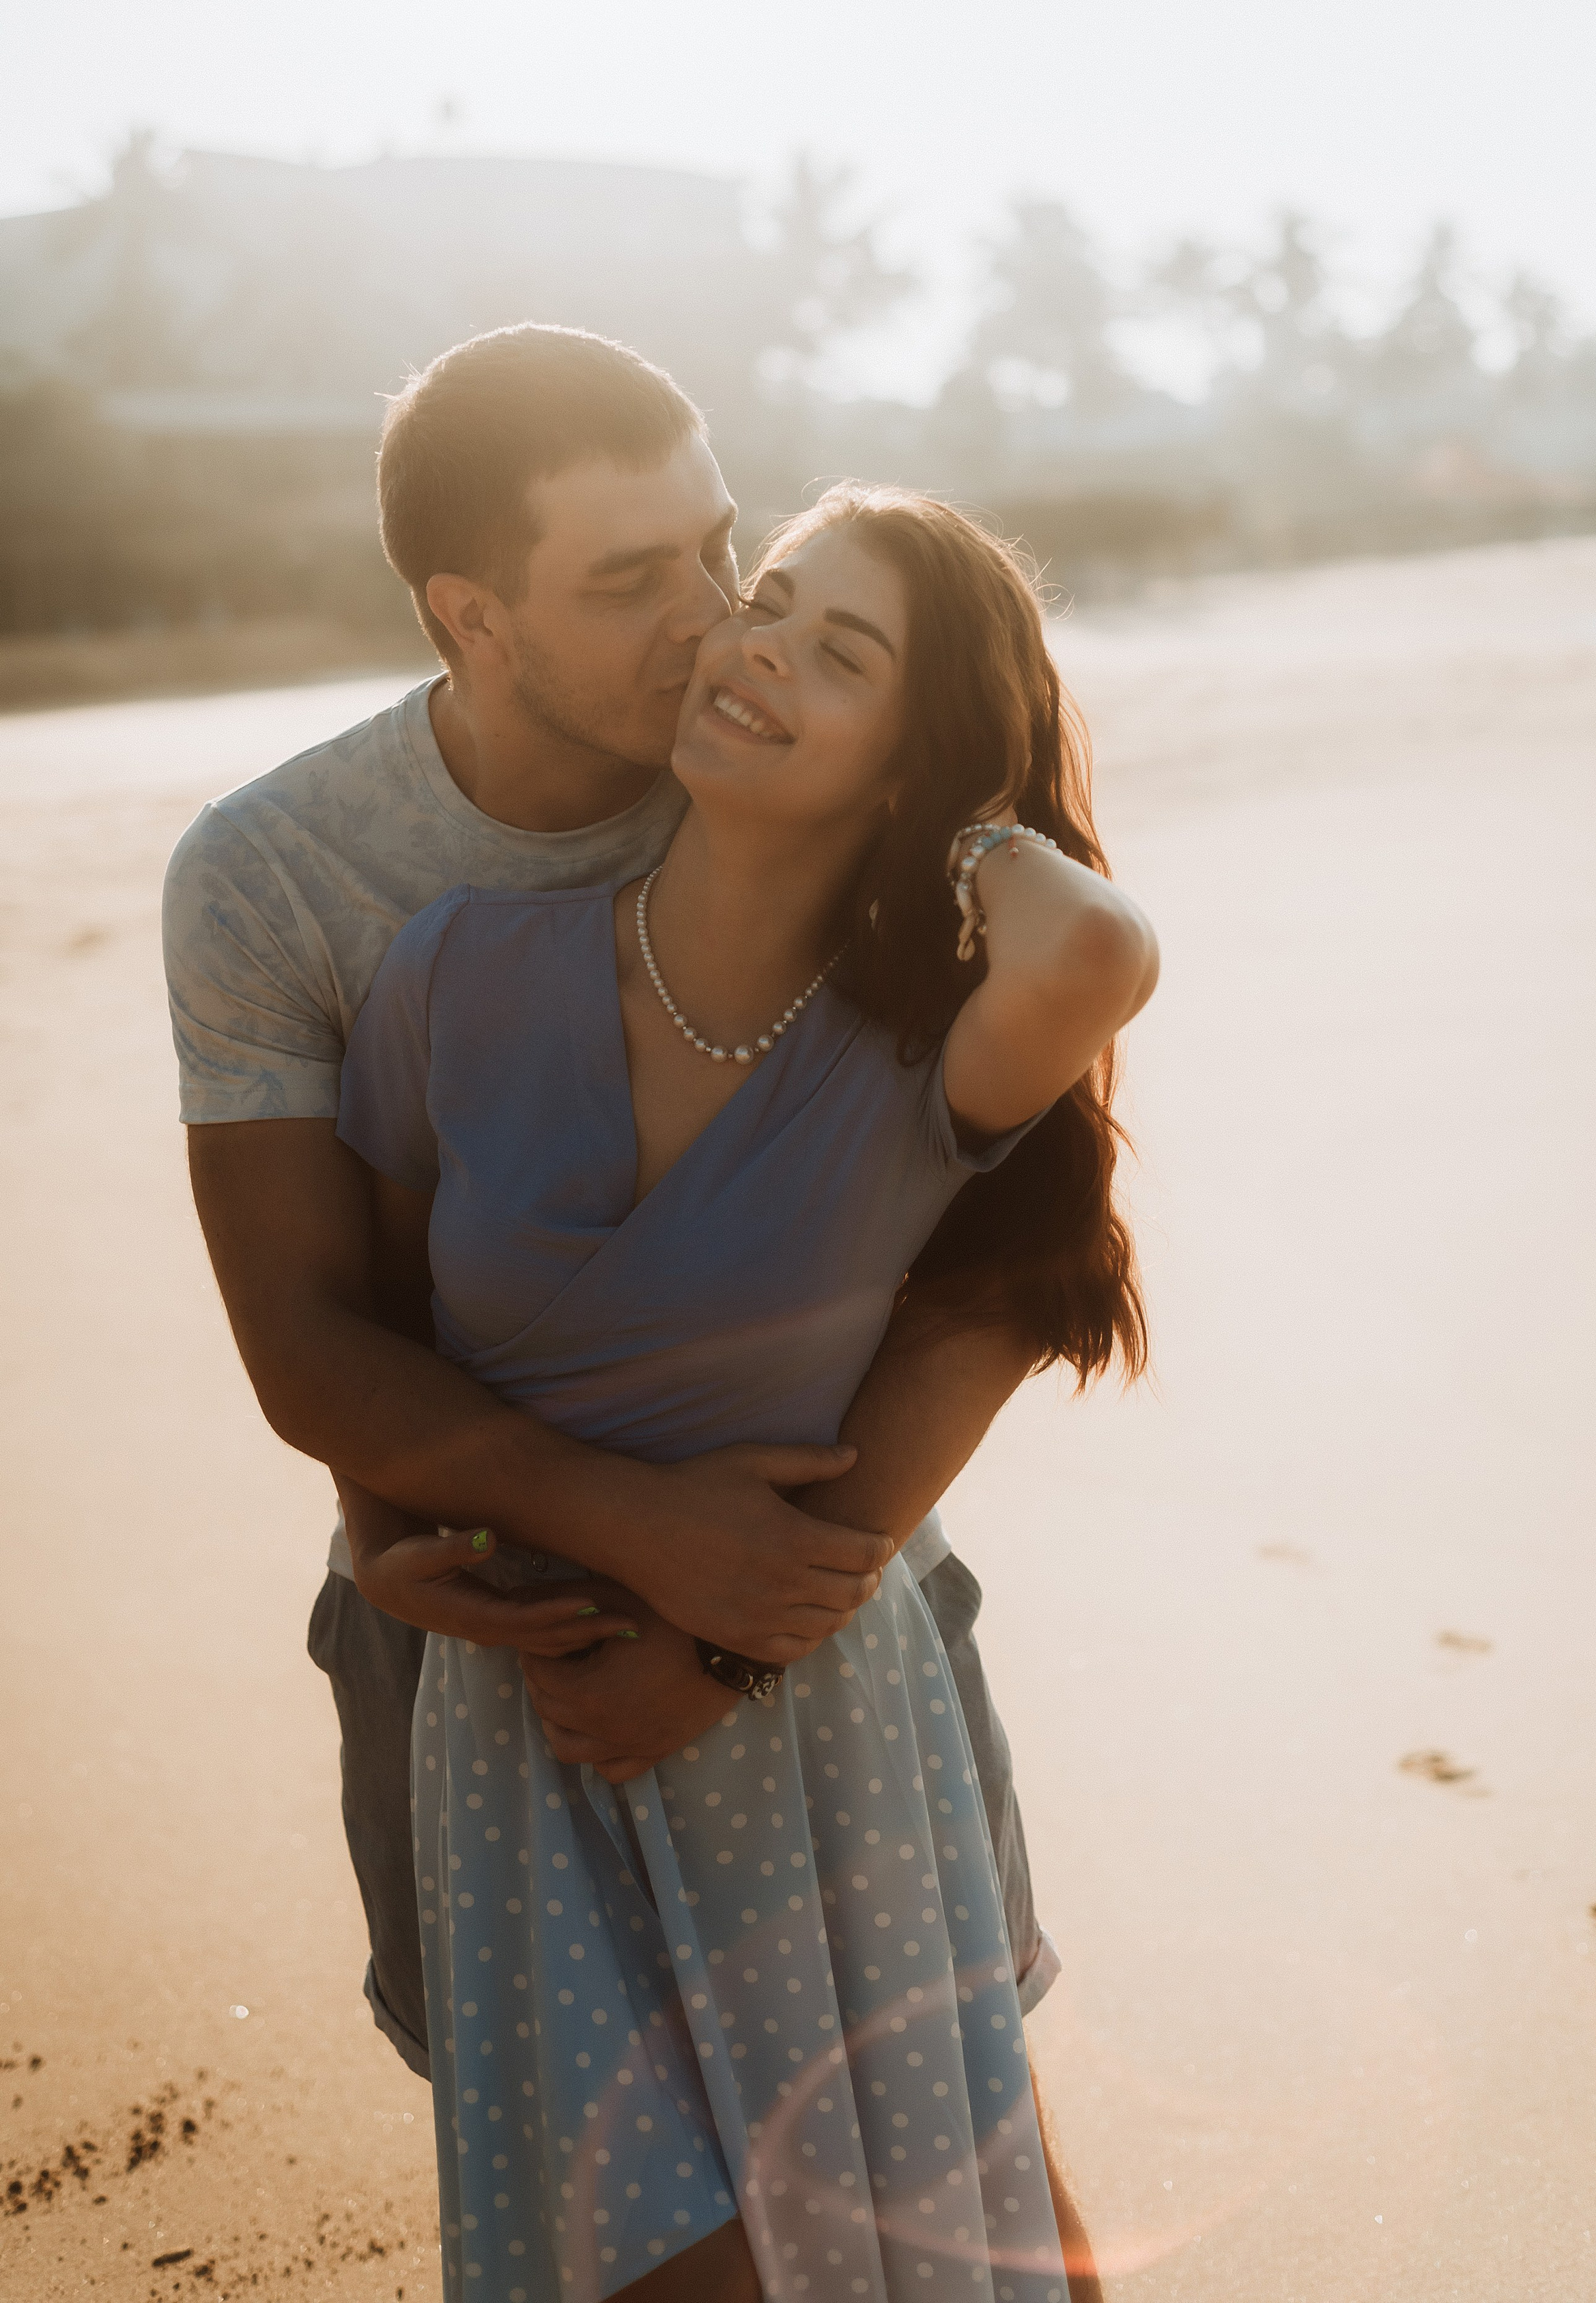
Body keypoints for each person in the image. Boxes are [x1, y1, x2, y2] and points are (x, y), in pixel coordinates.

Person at [161, 328, 1126, 2278]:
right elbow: (318, 1329)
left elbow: (1010, 1268)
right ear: (469, 611)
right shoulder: (299, 883)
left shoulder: (816, 802)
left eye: (723, 549)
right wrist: (421, 1537)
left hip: (820, 1581)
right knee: (624, 2219)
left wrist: (759, 1602)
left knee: (967, 2180)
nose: (711, 629)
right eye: (632, 583)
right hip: (487, 1640)